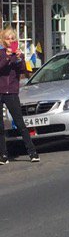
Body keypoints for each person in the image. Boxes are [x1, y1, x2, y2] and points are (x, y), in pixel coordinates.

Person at [0, 28, 40, 164]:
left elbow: (23, 70)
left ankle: (32, 153)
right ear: (3, 40)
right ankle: (3, 155)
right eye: (8, 38)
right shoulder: (1, 53)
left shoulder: (19, 54)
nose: (10, 40)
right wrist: (7, 57)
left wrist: (19, 59)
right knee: (0, 126)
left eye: (12, 38)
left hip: (11, 92)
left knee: (20, 123)